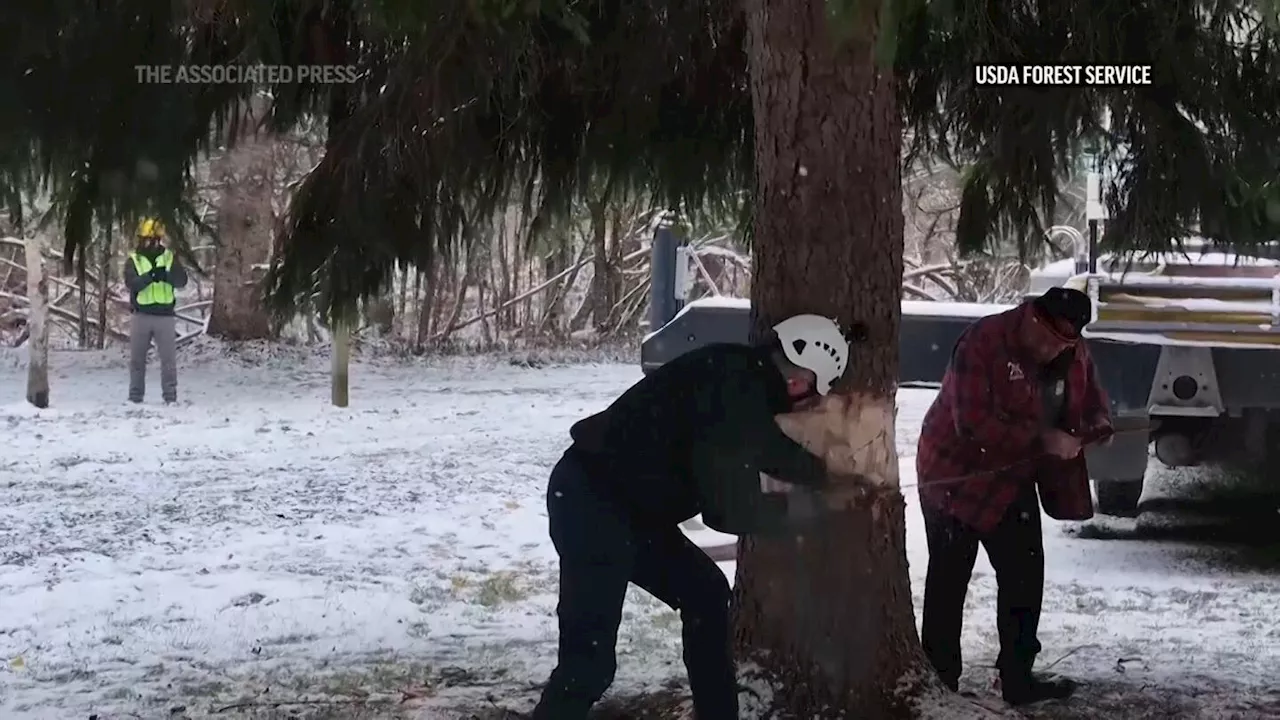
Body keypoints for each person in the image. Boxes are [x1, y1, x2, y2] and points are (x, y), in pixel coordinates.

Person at [531, 314, 850, 719]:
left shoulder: (740, 376)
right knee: (588, 667)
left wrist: (825, 476)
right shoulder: (738, 393)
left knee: (706, 594)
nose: (810, 401)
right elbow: (728, 510)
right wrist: (803, 517)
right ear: (799, 379)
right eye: (813, 391)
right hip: (592, 504)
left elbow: (768, 448)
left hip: (632, 510)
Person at [915, 287, 1112, 705]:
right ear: (1029, 315)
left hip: (1012, 480)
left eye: (1061, 343)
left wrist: (1093, 429)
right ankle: (941, 680)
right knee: (949, 579)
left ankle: (1018, 678)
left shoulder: (1074, 354)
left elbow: (1093, 403)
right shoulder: (983, 342)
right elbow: (973, 425)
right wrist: (1045, 440)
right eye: (1044, 336)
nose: (1049, 348)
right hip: (953, 475)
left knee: (1025, 577)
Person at [124, 218, 189, 404]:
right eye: (147, 239)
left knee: (168, 361)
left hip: (165, 316)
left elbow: (182, 281)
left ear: (159, 239)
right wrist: (150, 277)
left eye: (154, 239)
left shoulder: (169, 258)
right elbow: (132, 283)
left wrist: (167, 276)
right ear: (141, 239)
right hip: (141, 315)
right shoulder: (134, 259)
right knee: (137, 360)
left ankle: (170, 397)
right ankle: (135, 397)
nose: (150, 243)